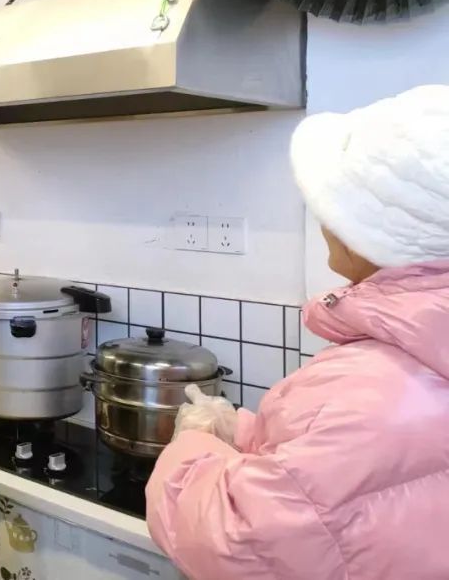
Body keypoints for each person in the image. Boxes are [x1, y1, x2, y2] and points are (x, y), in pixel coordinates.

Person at [146, 85, 449, 580]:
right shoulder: (417, 350)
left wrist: (195, 444)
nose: (322, 219)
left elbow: (236, 540)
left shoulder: (364, 386)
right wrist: (241, 432)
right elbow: (349, 482)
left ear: (369, 234)